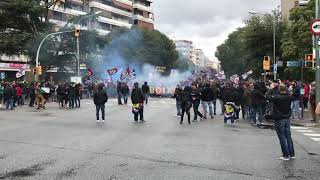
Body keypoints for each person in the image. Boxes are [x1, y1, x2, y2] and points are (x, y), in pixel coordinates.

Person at [266, 84, 295, 161]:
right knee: (288, 136)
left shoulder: (277, 98)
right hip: (287, 117)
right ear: (286, 89)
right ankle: (291, 154)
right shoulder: (289, 96)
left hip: (279, 118)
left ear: (279, 89)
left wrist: (271, 89)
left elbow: (267, 96)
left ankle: (285, 155)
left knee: (282, 137)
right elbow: (291, 94)